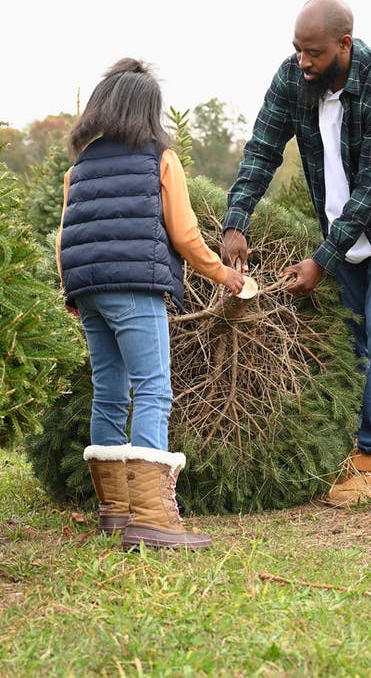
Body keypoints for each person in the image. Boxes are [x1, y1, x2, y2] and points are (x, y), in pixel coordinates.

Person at [222, 0, 371, 506]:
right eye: (298, 50)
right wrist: (237, 219)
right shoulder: (294, 79)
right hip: (341, 231)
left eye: (315, 53)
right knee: (350, 343)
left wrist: (321, 260)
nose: (304, 62)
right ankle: (348, 449)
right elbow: (262, 147)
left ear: (344, 45)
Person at [55, 57, 244, 549]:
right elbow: (184, 234)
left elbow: (64, 237)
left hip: (87, 290)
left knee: (110, 390)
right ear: (148, 111)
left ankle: (115, 511)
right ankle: (153, 518)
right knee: (154, 389)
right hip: (136, 289)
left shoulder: (81, 166)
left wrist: (74, 291)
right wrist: (224, 274)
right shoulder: (159, 158)